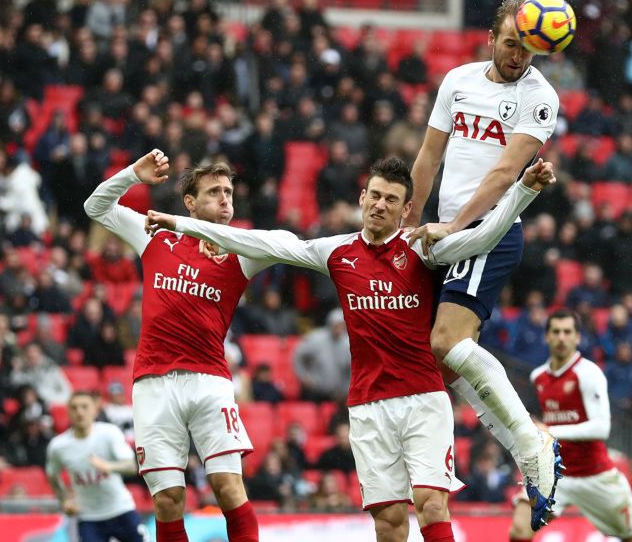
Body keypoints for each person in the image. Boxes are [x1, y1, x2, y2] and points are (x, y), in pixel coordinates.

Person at [145, 156, 558, 541]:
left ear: (405, 209)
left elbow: (482, 237)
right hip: (367, 405)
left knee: (431, 504)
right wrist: (183, 225)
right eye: (375, 195)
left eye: (391, 200)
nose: (380, 205)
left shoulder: (422, 249)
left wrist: (523, 190)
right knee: (389, 521)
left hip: (424, 399)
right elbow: (262, 244)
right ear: (362, 198)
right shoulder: (336, 251)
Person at [403, 0, 563, 530]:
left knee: (446, 342)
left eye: (529, 48)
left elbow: (502, 177)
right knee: (440, 362)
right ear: (492, 38)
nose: (518, 56)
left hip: (489, 232)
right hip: (442, 234)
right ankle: (524, 446)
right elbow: (428, 156)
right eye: (511, 43)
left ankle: (531, 439)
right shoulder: (458, 81)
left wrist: (454, 226)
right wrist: (410, 222)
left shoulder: (540, 98)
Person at [83, 150, 261, 542]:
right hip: (153, 384)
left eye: (229, 191)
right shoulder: (156, 236)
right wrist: (133, 175)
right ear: (190, 203)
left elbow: (289, 245)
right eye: (214, 191)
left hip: (209, 381)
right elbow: (95, 206)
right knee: (167, 501)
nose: (225, 199)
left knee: (229, 489)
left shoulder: (244, 251)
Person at [509, 310, 632, 542]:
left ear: (577, 337)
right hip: (555, 474)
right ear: (547, 337)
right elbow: (537, 422)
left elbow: (602, 428)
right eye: (556, 332)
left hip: (595, 475)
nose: (562, 337)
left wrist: (551, 430)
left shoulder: (588, 373)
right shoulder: (538, 377)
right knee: (519, 531)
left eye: (567, 332)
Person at [46, 392, 146, 542]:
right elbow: (52, 475)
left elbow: (131, 466)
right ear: (68, 412)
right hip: (89, 517)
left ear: (95, 410)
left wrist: (109, 466)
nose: (79, 412)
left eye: (84, 407)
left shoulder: (109, 433)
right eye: (74, 408)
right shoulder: (58, 446)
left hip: (121, 509)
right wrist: (64, 499)